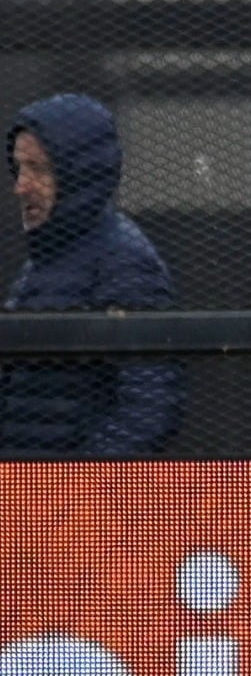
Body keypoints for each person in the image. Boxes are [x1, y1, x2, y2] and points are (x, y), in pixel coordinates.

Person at [2, 93, 183, 455]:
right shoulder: (45, 260)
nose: (21, 186)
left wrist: (76, 491)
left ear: (78, 174)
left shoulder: (122, 261)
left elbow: (149, 406)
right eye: (19, 168)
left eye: (38, 168)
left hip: (68, 500)